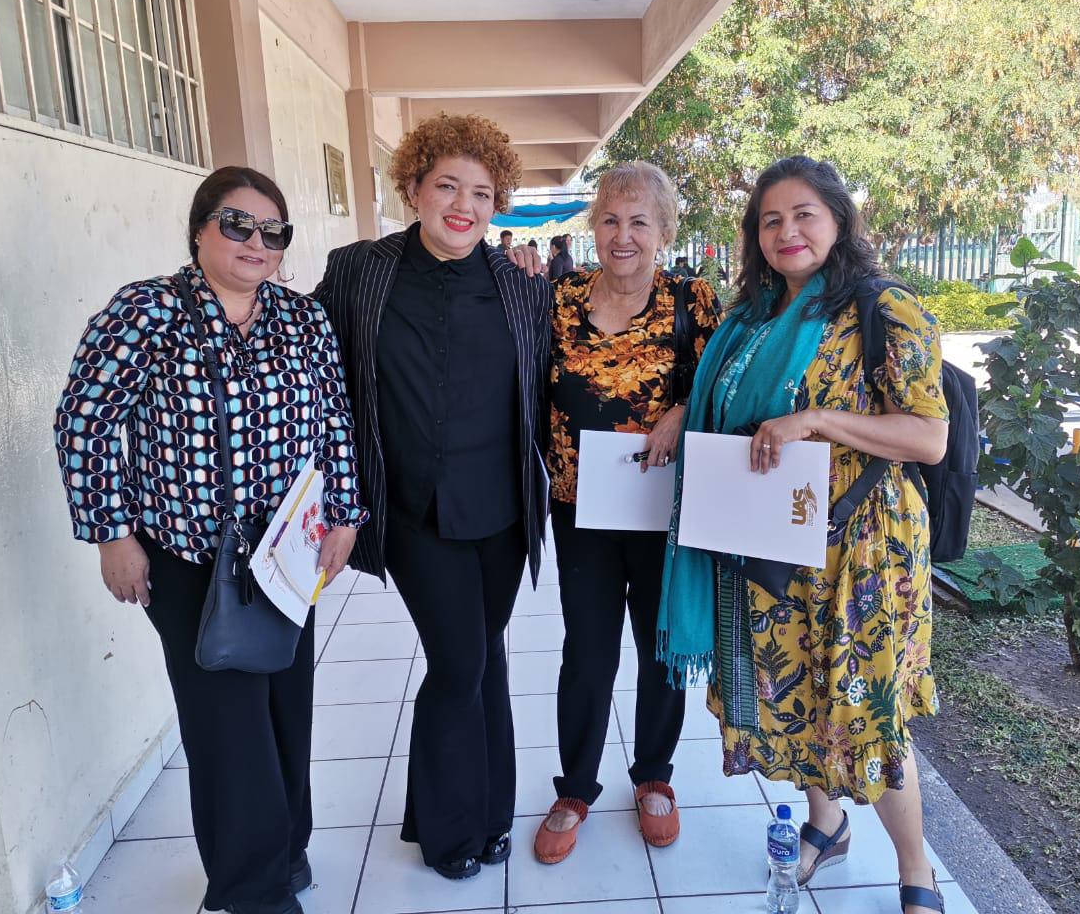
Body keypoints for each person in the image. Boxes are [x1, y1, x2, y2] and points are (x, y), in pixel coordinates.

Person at [53, 167, 367, 914]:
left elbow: (334, 423)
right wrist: (111, 536)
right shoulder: (149, 311)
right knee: (230, 736)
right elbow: (84, 420)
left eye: (273, 232)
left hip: (286, 560)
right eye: (237, 225)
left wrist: (346, 514)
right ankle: (251, 893)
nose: (257, 243)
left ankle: (286, 856)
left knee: (287, 711)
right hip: (191, 562)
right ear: (199, 229)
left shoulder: (301, 319)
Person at [659, 156, 949, 914]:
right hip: (772, 544)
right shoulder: (751, 320)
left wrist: (816, 420)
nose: (787, 231)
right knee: (795, 699)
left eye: (804, 215)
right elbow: (720, 407)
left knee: (866, 710)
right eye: (771, 220)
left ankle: (915, 870)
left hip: (862, 553)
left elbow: (928, 438)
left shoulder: (884, 309)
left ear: (840, 221)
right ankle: (826, 827)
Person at [313, 113, 551, 880]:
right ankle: (451, 832)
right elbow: (307, 358)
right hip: (414, 510)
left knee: (489, 658)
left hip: (503, 512)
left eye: (482, 192)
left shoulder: (522, 290)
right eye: (447, 184)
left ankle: (484, 814)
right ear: (412, 188)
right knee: (458, 663)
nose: (464, 204)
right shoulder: (358, 271)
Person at [533, 162, 722, 864]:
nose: (623, 234)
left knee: (658, 645)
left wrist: (676, 410)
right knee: (586, 648)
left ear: (665, 231)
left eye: (640, 221)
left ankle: (653, 777)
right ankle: (575, 786)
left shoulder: (690, 297)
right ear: (593, 226)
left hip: (659, 505)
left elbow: (715, 384)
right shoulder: (559, 297)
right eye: (611, 219)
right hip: (578, 504)